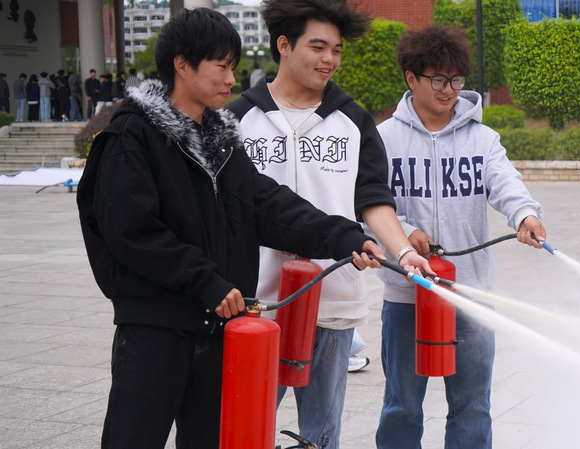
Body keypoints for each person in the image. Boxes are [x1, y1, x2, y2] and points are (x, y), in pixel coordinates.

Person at [76, 8, 385, 449]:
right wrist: (206, 281)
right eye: (221, 66)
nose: (230, 79)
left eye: (233, 67)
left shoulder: (221, 142)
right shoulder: (131, 137)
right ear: (182, 64)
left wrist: (345, 237)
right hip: (155, 331)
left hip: (218, 330)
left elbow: (270, 207)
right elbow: (132, 233)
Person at [226, 1, 434, 448]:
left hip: (333, 298)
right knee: (245, 430)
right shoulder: (238, 119)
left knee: (320, 436)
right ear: (284, 45)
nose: (330, 59)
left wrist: (403, 251)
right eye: (318, 47)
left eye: (336, 50)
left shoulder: (353, 121)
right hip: (258, 306)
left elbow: (373, 201)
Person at [374, 25, 548, 449]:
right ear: (411, 78)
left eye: (455, 80)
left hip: (471, 294)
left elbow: (505, 182)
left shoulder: (483, 139)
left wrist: (525, 214)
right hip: (406, 296)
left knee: (472, 406)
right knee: (401, 406)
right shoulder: (383, 139)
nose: (449, 90)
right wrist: (406, 233)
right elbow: (370, 208)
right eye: (437, 79)